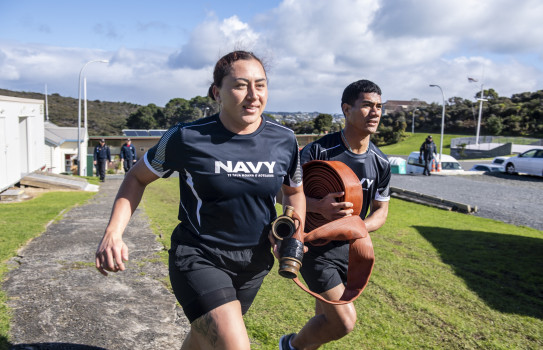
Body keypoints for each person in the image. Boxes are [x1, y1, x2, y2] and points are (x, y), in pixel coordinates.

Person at [95, 50, 306, 350]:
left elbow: (294, 193)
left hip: (254, 264)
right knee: (234, 344)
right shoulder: (186, 137)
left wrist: (292, 233)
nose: (253, 95)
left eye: (260, 85)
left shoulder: (284, 139)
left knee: (204, 338)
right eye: (240, 85)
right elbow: (136, 177)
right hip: (199, 256)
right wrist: (113, 233)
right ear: (216, 92)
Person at [280, 79, 391, 350]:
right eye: (366, 105)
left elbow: (380, 213)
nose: (374, 112)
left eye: (378, 106)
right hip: (313, 248)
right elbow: (283, 196)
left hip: (350, 250)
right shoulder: (317, 151)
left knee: (324, 317)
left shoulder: (381, 163)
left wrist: (354, 226)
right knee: (343, 321)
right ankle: (290, 346)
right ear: (346, 109)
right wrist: (318, 207)